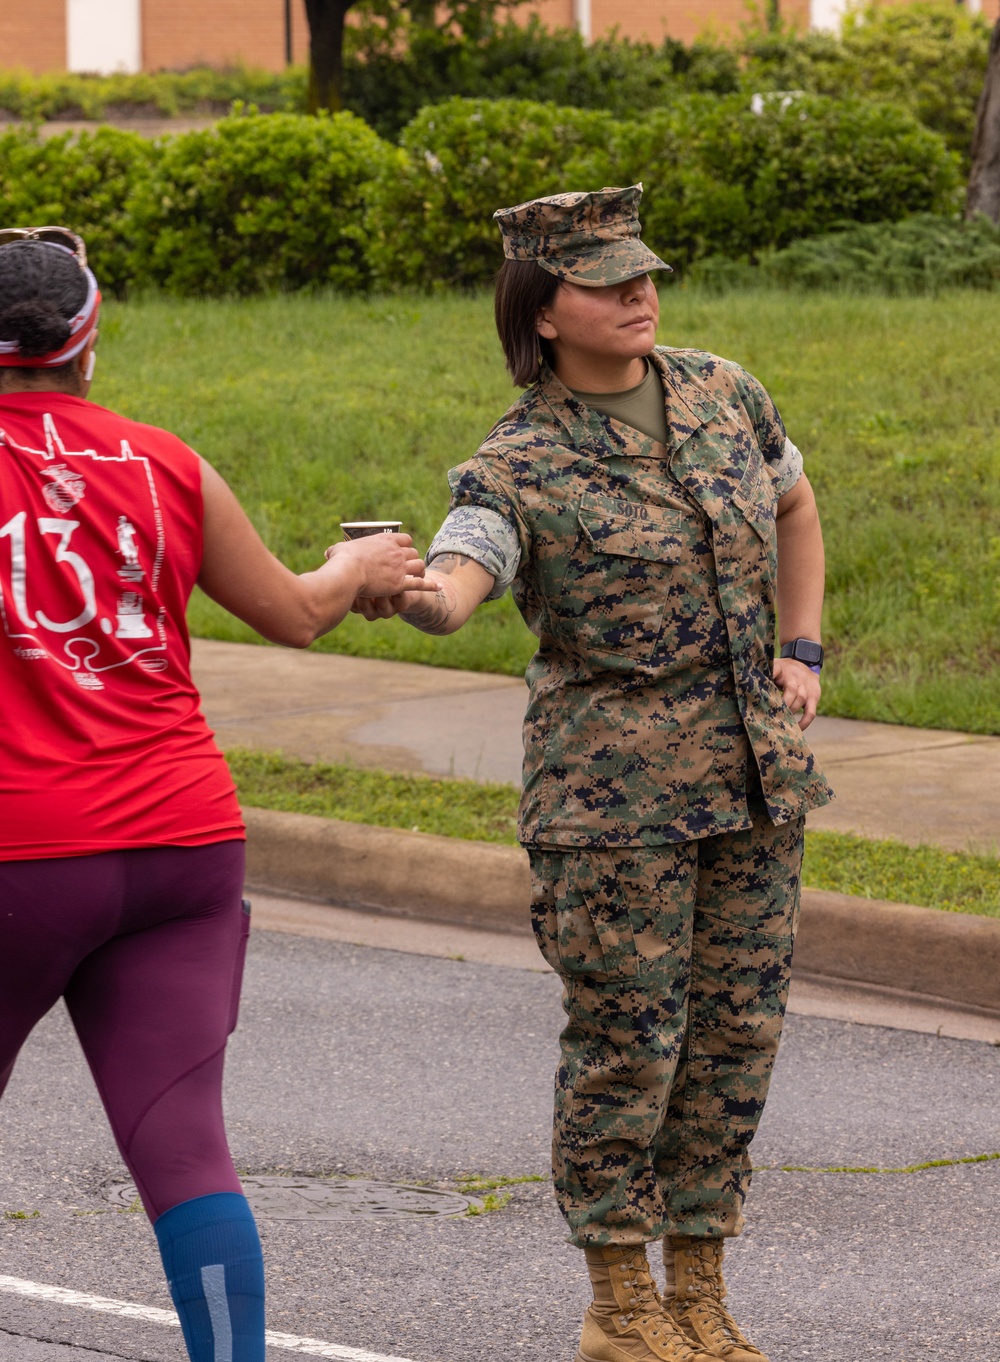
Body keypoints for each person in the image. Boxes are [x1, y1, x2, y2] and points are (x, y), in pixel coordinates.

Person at [353, 187, 833, 1362]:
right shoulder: (516, 463)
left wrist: (800, 646)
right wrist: (408, 590)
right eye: (606, 281)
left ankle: (701, 1289)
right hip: (612, 805)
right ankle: (620, 1302)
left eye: (644, 274)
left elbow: (795, 503)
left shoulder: (721, 388)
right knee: (629, 1041)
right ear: (542, 309)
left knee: (733, 1041)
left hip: (753, 781)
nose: (638, 294)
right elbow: (460, 583)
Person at [0, 226, 435, 1362]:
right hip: (183, 842)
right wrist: (364, 567)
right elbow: (297, 610)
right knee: (185, 1148)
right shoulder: (165, 463)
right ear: (87, 345)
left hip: (20, 854)